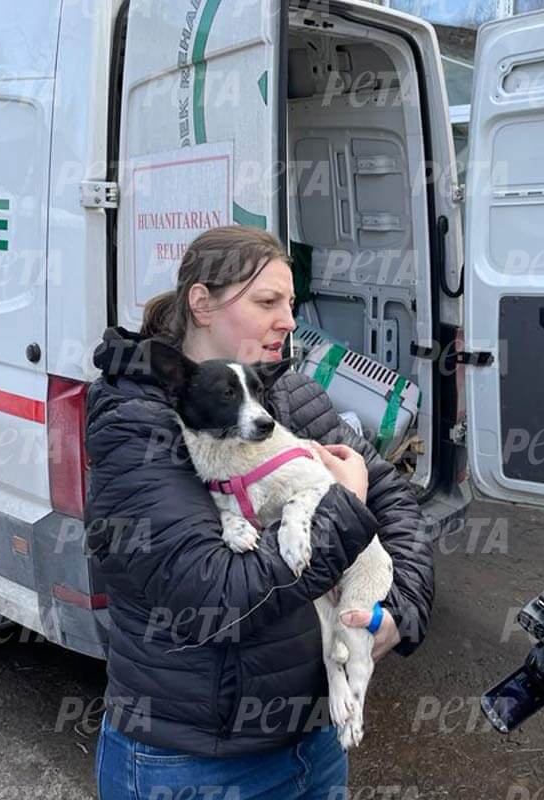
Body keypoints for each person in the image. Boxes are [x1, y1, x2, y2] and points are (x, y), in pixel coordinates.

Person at [84, 226, 433, 799]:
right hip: (196, 764)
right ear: (202, 304)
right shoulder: (136, 423)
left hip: (313, 745)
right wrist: (342, 509)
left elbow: (391, 497)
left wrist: (400, 610)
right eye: (267, 302)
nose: (290, 320)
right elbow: (214, 596)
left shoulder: (282, 392)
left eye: (290, 303)